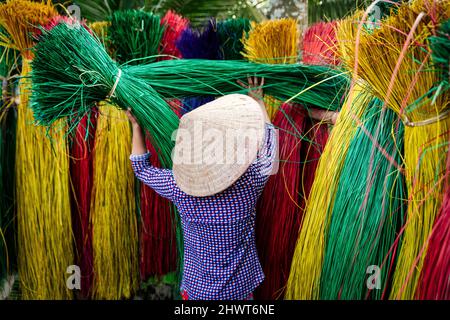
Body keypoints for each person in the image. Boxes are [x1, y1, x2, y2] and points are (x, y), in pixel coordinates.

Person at [127, 77, 277, 300]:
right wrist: (258, 99)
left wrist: (137, 126)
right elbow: (270, 145)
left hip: (197, 292)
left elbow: (142, 169)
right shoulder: (249, 182)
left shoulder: (179, 187)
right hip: (239, 293)